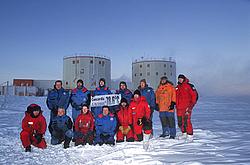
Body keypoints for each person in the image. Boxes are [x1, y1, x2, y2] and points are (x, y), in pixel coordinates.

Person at [176, 74, 198, 142]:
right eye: (179, 79)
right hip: (179, 108)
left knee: (186, 121)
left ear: (184, 79)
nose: (180, 80)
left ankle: (190, 135)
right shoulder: (177, 87)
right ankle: (184, 133)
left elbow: (195, 96)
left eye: (181, 78)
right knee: (180, 122)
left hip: (186, 107)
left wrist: (191, 106)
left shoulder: (189, 86)